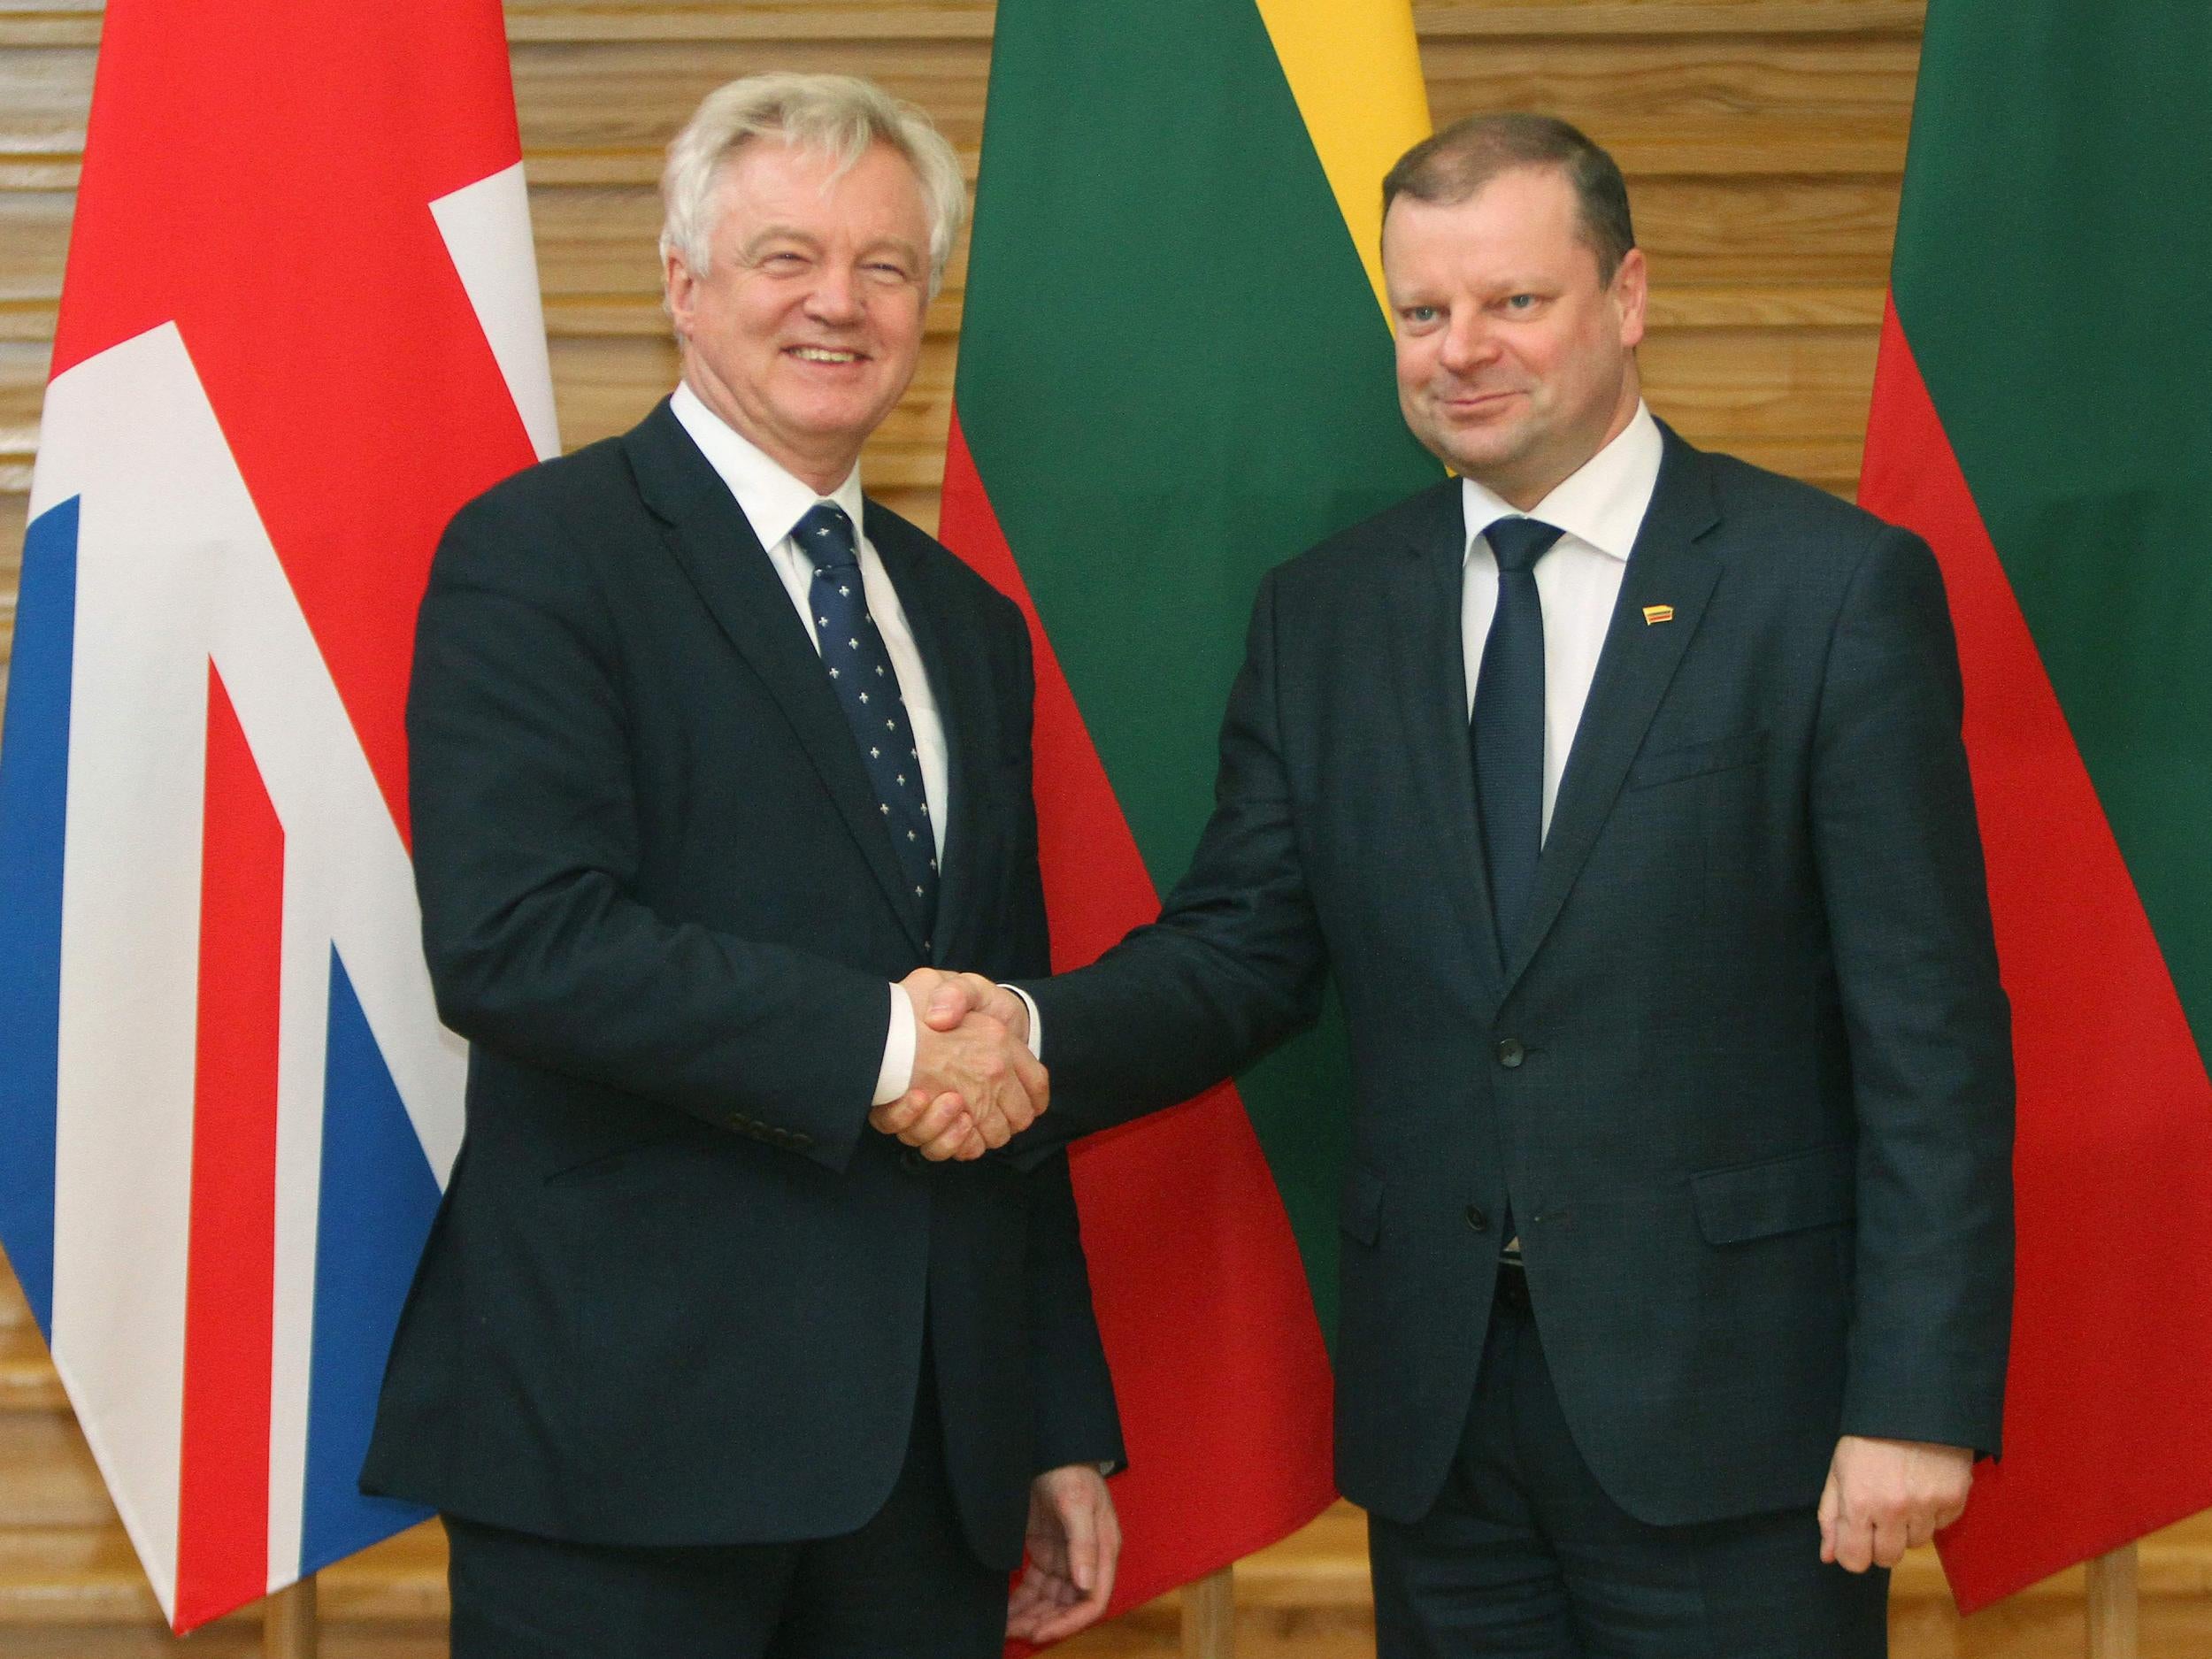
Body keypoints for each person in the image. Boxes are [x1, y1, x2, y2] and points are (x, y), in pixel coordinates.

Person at [900, 114, 2013, 1657]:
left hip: (1740, 1427)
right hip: (1443, 1429)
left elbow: (1931, 1030)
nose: (1461, 350)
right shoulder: (1329, 616)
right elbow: (1241, 955)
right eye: (1423, 314)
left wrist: (1917, 1400)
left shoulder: (1825, 588)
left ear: (1626, 298)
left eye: (1514, 302)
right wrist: (1022, 1037)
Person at [362, 73, 1124, 1657]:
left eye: (887, 266)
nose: (837, 304)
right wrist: (887, 1043)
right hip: (625, 1441)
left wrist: (1049, 1412)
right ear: (682, 284)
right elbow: (518, 940)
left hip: (929, 1460)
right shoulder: (540, 554)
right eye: (786, 257)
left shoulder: (969, 626)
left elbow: (1008, 1021)